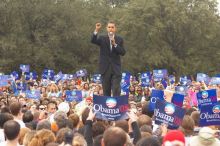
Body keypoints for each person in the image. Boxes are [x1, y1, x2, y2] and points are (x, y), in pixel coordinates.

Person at [91, 22, 126, 96]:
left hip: (116, 69)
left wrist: (115, 44)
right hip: (105, 68)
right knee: (106, 91)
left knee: (116, 89)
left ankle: (116, 106)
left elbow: (123, 52)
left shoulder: (119, 39)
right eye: (109, 27)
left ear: (115, 29)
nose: (111, 29)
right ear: (107, 28)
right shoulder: (102, 38)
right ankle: (107, 107)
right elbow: (93, 41)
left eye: (112, 27)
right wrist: (96, 30)